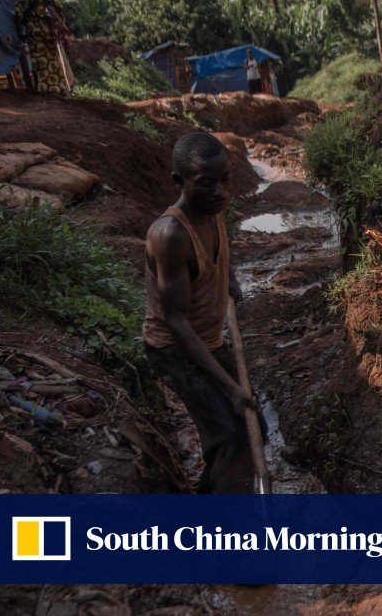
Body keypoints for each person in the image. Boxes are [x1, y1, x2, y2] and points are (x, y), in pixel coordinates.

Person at [143, 133, 258, 493]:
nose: (221, 191)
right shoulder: (170, 235)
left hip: (207, 338)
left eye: (225, 180)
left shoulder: (213, 208)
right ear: (179, 181)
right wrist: (229, 386)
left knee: (251, 429)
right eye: (206, 183)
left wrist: (231, 278)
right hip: (174, 347)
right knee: (230, 437)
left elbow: (217, 251)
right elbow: (175, 321)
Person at [16, 0, 74, 96]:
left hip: (32, 32)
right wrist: (61, 26)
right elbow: (55, 12)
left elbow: (18, 17)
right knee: (53, 60)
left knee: (38, 61)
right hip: (46, 30)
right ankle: (58, 88)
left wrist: (20, 33)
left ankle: (43, 89)